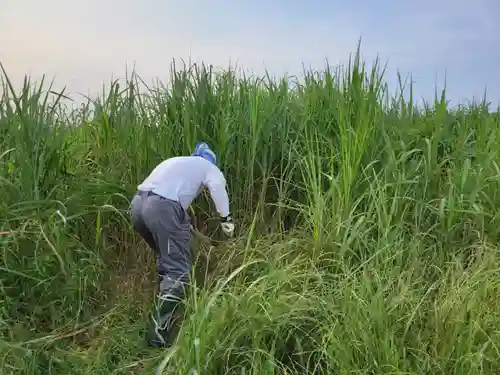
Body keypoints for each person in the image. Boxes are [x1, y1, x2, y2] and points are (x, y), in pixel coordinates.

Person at [130, 142, 235, 348]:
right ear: (210, 160)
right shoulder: (208, 167)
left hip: (137, 206)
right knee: (179, 272)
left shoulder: (176, 162)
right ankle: (158, 336)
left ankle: (158, 321)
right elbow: (217, 186)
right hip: (161, 208)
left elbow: (164, 193)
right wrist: (226, 219)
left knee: (167, 262)